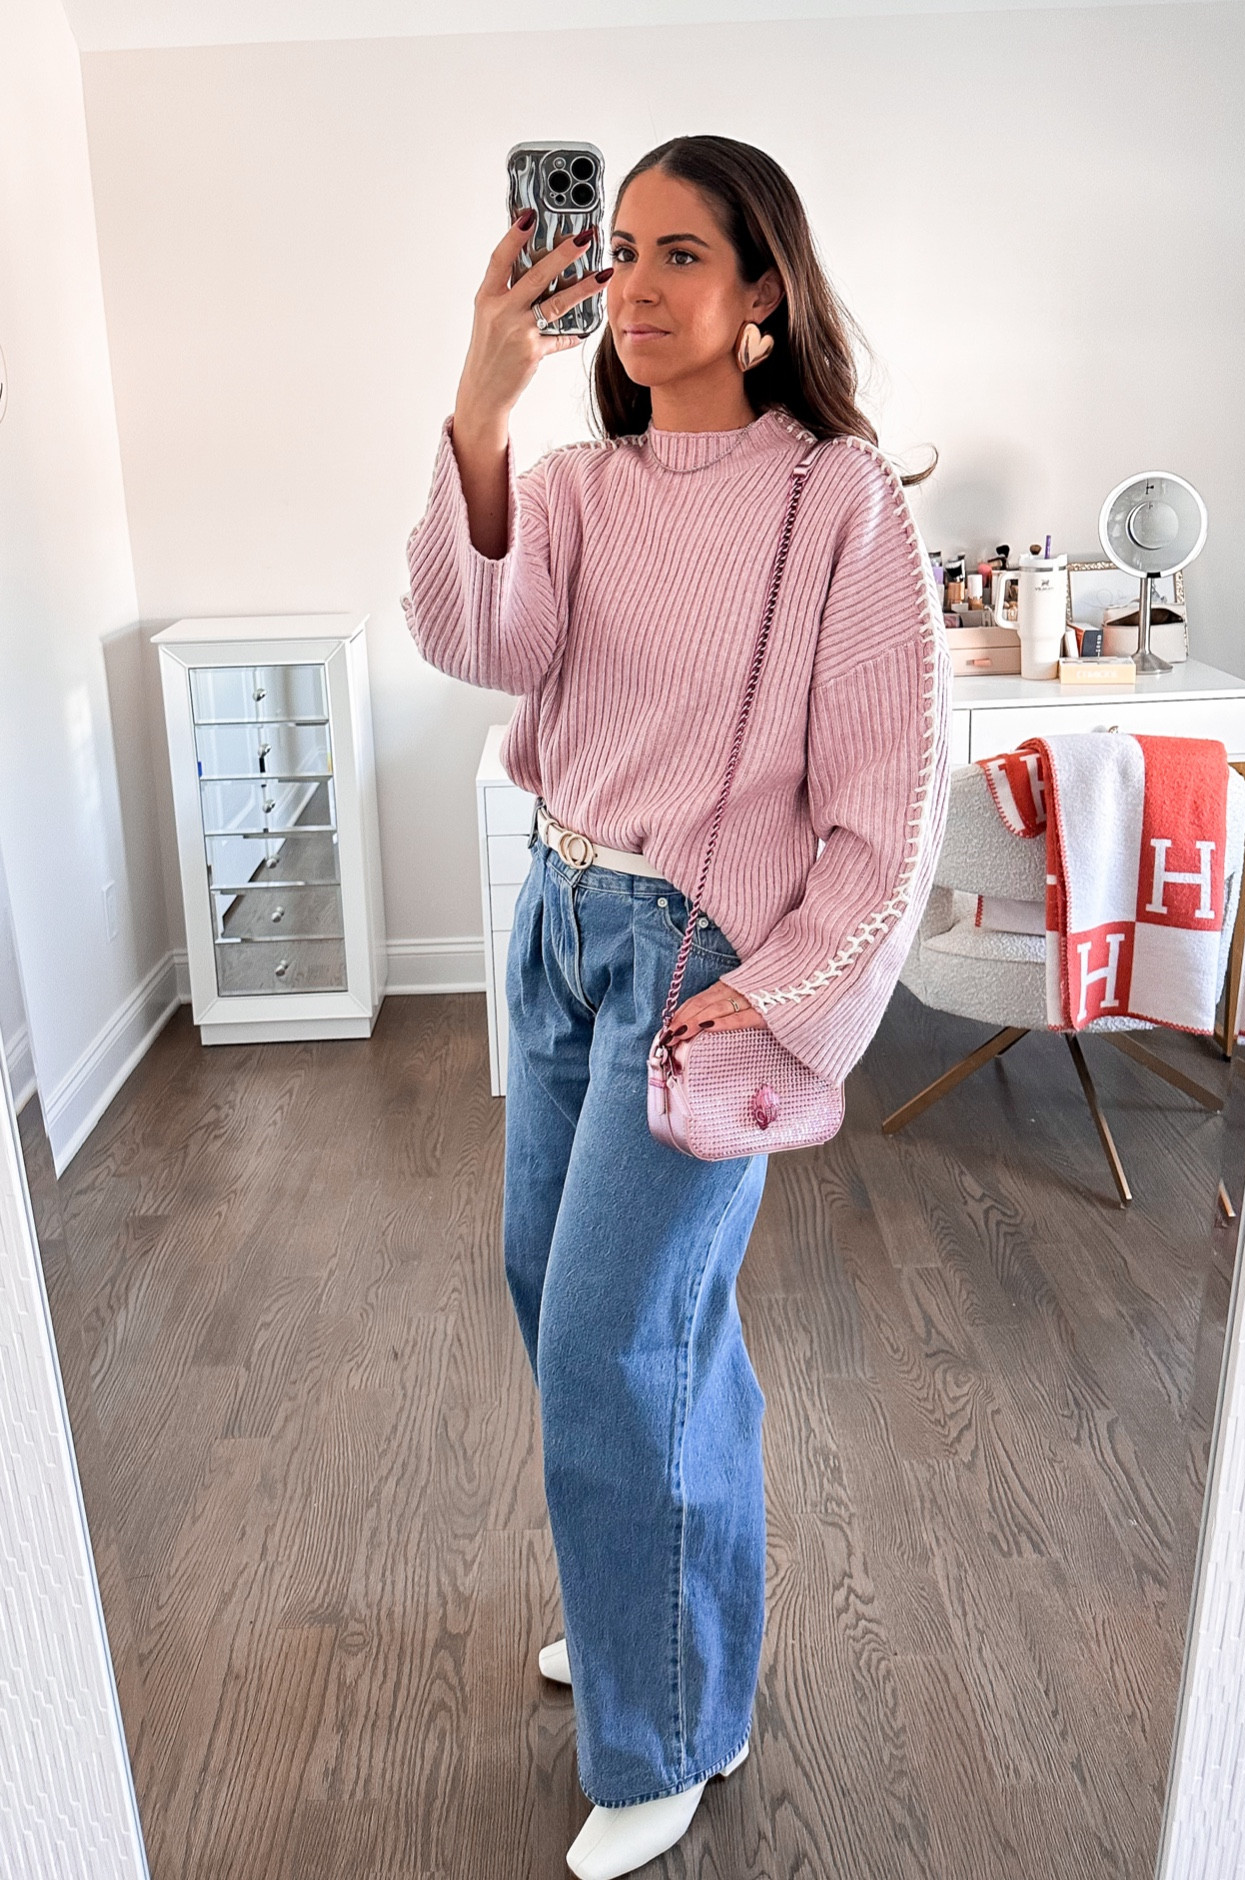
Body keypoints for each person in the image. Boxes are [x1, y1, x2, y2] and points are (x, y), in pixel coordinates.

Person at [403, 133, 953, 1880]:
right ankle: (652, 1613)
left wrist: (776, 989)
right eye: (616, 251)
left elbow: (888, 797)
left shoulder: (835, 499)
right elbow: (473, 641)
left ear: (763, 289)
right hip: (558, 924)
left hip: (693, 961)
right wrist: (482, 401)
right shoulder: (574, 483)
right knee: (581, 1305)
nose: (631, 286)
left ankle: (662, 1734)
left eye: (679, 255)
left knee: (614, 1341)